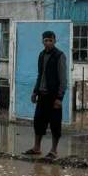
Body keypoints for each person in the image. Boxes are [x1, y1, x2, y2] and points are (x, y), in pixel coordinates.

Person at [25, 30, 67, 159]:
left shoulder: (59, 55)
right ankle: (36, 148)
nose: (48, 42)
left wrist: (60, 98)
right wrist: (35, 91)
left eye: (50, 40)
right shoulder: (41, 55)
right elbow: (40, 75)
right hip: (42, 95)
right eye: (45, 40)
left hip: (53, 96)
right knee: (38, 122)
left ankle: (54, 150)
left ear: (55, 41)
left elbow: (63, 79)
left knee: (55, 124)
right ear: (42, 41)